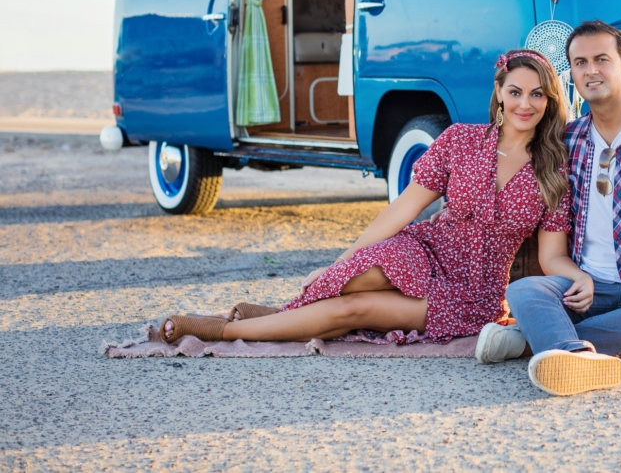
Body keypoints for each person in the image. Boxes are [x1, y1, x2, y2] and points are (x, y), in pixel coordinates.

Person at [158, 50, 570, 345]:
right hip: (427, 250)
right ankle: (285, 314)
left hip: (472, 292)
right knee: (350, 279)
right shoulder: (460, 140)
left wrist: (579, 280)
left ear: (549, 99)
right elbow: (405, 206)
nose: (525, 104)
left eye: (537, 94)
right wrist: (339, 263)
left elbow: (552, 257)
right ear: (499, 92)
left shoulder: (554, 170)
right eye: (515, 91)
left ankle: (221, 329)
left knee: (351, 310)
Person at [475, 20, 621, 397]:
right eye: (580, 63)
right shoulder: (569, 139)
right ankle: (572, 350)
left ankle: (539, 342)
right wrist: (460, 212)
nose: (591, 70)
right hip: (584, 287)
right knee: (524, 292)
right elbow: (521, 187)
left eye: (602, 59)